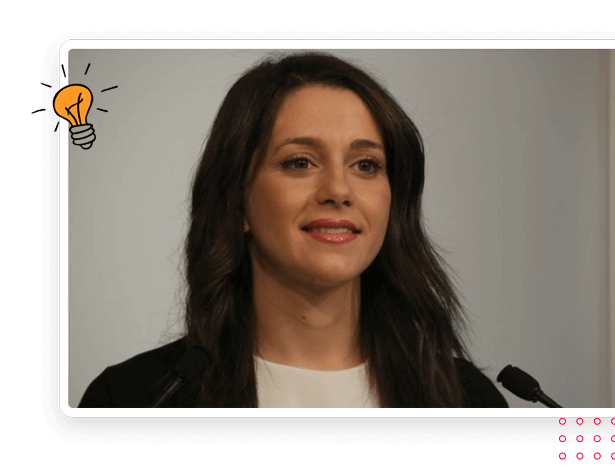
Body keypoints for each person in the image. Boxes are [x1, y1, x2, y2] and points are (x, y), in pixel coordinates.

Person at [79, 51, 509, 408]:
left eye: (366, 165)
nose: (339, 190)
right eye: (299, 162)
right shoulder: (136, 400)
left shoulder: (468, 400)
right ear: (237, 200)